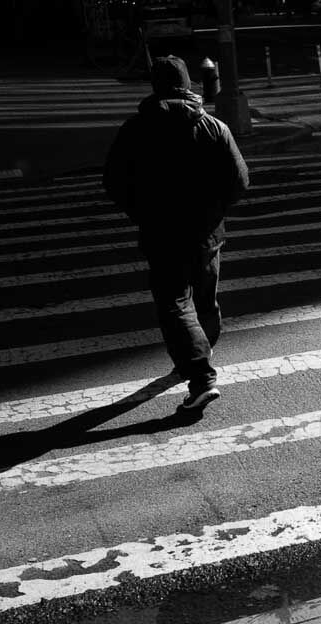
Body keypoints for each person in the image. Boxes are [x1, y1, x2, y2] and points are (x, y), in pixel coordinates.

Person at [104, 55, 249, 412]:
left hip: (161, 234)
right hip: (207, 235)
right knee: (204, 300)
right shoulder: (214, 127)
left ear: (155, 87)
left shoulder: (134, 130)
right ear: (188, 85)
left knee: (175, 306)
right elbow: (239, 181)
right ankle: (201, 351)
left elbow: (114, 183)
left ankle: (201, 376)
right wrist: (213, 212)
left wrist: (141, 211)